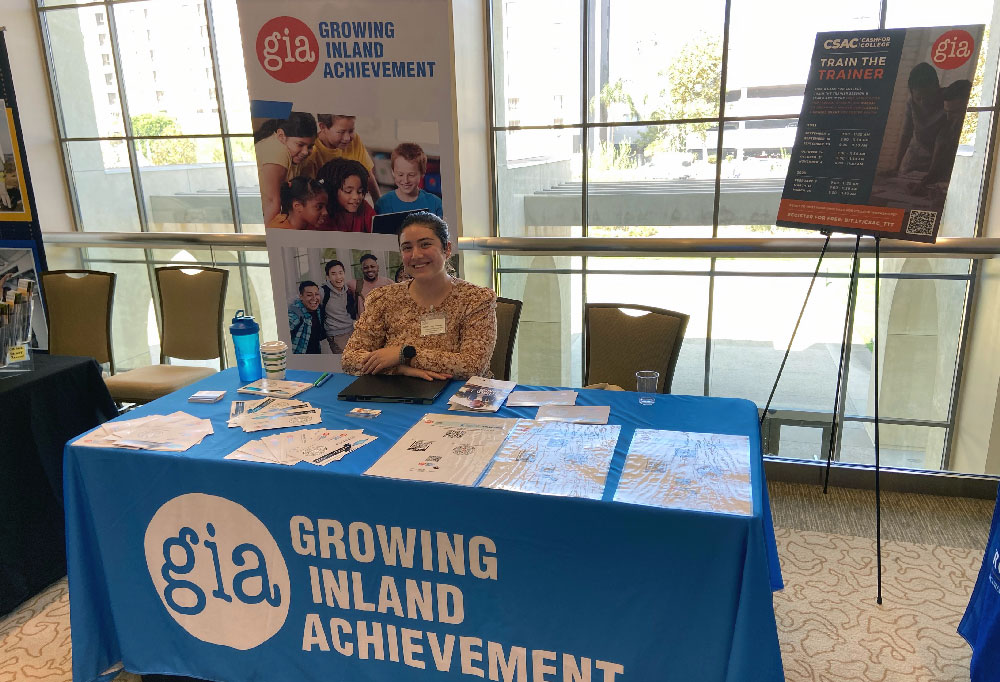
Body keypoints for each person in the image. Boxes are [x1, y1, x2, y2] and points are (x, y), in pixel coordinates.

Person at [342, 212, 497, 380]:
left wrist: (404, 354)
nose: (415, 255)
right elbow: (350, 359)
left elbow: (473, 366)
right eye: (407, 248)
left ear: (447, 249)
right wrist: (400, 369)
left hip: (458, 397)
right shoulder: (383, 299)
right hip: (399, 393)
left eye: (425, 245)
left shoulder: (476, 299)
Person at [296, 114, 380, 200]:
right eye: (341, 132)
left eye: (351, 131)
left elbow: (369, 177)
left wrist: (379, 206)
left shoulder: (354, 141)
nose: (347, 138)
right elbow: (309, 194)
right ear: (323, 127)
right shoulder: (311, 151)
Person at [254, 112, 318, 224]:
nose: (305, 151)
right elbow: (272, 201)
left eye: (310, 146)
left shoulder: (300, 154)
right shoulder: (277, 152)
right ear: (281, 136)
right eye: (300, 145)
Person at [894, 63, 946, 177]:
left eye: (928, 97)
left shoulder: (948, 102)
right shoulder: (911, 103)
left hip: (939, 162)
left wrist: (932, 175)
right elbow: (906, 134)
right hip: (913, 160)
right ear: (912, 94)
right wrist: (896, 167)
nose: (923, 102)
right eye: (918, 98)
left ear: (937, 88)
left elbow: (942, 141)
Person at [374, 142, 443, 217]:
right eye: (400, 174)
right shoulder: (382, 204)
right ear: (393, 172)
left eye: (411, 175)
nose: (405, 180)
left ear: (422, 173)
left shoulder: (435, 204)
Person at [315, 159, 375, 232]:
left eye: (360, 191)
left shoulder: (364, 207)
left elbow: (380, 231)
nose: (356, 197)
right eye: (348, 191)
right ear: (332, 191)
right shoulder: (323, 214)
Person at [320, 260, 358, 354]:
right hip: (336, 335)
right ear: (328, 277)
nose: (338, 277)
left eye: (340, 273)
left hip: (352, 331)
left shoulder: (348, 290)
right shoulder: (322, 292)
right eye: (333, 274)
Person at [288, 280, 325, 355]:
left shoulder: (319, 310)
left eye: (316, 294)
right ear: (301, 296)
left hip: (316, 356)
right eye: (309, 295)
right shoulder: (294, 313)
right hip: (299, 359)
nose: (314, 298)